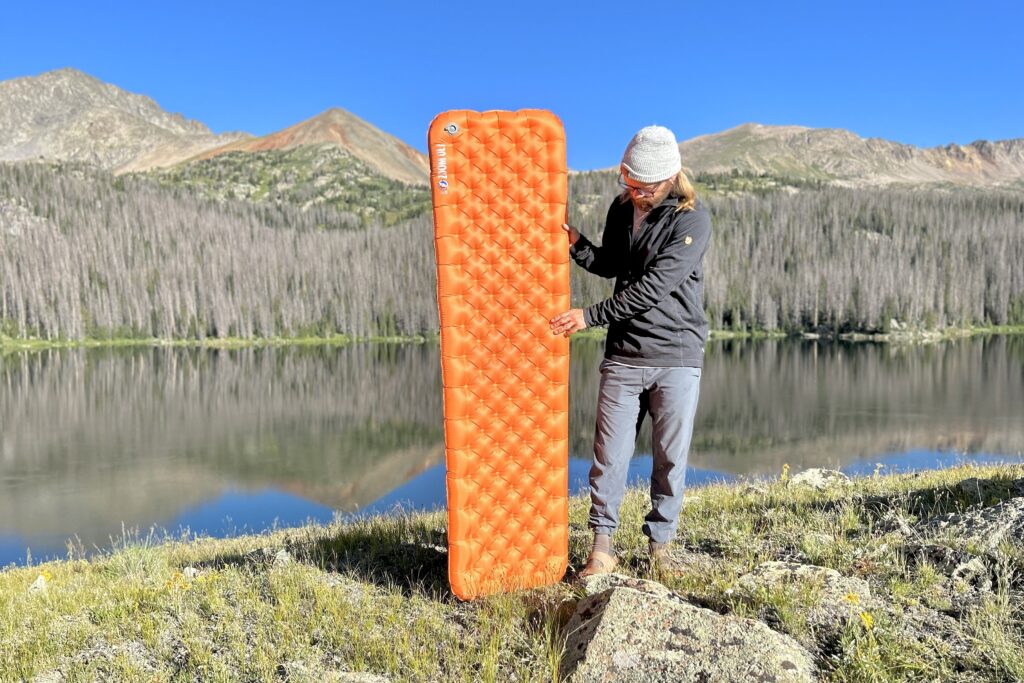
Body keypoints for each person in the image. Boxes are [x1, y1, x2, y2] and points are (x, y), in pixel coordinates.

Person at [548, 125, 712, 576]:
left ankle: (660, 547)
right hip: (624, 354)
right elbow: (615, 265)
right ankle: (602, 547)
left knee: (670, 458)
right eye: (631, 184)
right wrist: (579, 247)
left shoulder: (691, 220)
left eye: (646, 188)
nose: (637, 194)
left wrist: (589, 316)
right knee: (608, 456)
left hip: (676, 357)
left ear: (670, 178)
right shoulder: (622, 207)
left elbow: (653, 287)